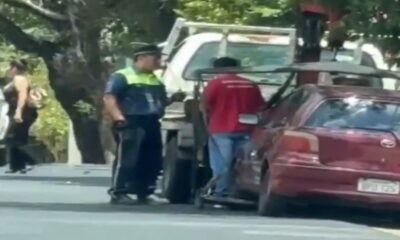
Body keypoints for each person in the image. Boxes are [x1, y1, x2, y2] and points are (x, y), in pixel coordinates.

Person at [104, 44, 184, 205]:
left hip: (152, 122)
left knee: (151, 159)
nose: (158, 61)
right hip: (131, 121)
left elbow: (159, 102)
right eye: (155, 58)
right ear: (141, 58)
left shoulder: (155, 79)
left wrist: (173, 99)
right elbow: (109, 98)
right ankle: (118, 192)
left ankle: (144, 191)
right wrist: (119, 118)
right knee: (127, 159)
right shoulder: (122, 76)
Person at [203, 57, 265, 198]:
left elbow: (205, 106)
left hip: (221, 129)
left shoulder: (215, 84)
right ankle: (239, 193)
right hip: (247, 130)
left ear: (217, 69)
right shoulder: (250, 85)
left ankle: (221, 194)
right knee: (243, 164)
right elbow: (261, 107)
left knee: (222, 164)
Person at [3, 59, 38, 174]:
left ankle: (29, 161)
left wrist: (19, 111)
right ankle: (16, 165)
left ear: (15, 68)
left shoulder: (20, 79)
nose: (8, 69)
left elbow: (22, 96)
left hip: (24, 112)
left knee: (15, 137)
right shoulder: (13, 80)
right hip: (15, 111)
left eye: (10, 67)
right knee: (14, 138)